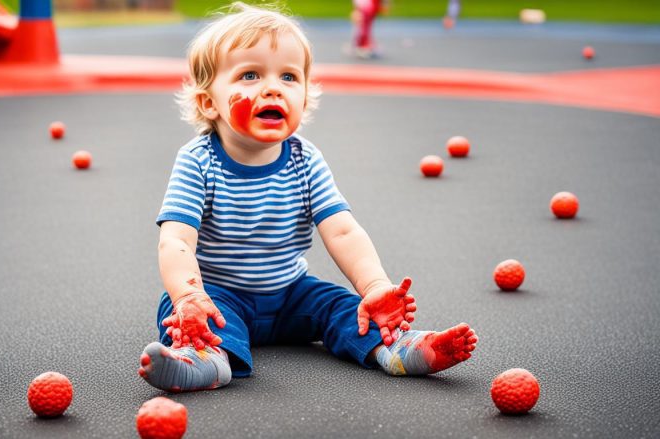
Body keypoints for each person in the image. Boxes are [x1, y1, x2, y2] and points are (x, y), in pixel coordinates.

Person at [139, 2, 478, 393]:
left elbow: (343, 231)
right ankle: (204, 361)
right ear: (208, 103)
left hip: (291, 293)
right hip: (219, 294)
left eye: (288, 76)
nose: (272, 87)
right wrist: (189, 294)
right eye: (249, 75)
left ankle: (401, 348)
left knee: (345, 308)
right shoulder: (198, 161)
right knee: (177, 308)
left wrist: (375, 287)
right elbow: (177, 239)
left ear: (305, 95)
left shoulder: (304, 158)